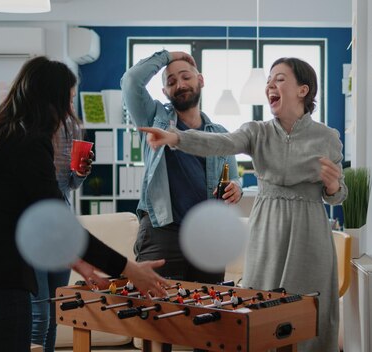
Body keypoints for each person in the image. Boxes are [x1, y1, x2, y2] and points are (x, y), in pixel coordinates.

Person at [0, 56, 168, 352]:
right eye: (68, 101)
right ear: (50, 101)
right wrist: (130, 270)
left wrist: (80, 265)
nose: (69, 110)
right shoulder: (29, 144)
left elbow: (28, 218)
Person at [139, 57, 347, 351]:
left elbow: (338, 195)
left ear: (303, 89)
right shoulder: (256, 132)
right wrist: (176, 138)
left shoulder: (327, 138)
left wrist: (333, 185)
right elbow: (218, 143)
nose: (270, 85)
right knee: (262, 306)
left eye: (279, 79)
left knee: (308, 308)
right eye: (268, 81)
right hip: (268, 228)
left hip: (310, 231)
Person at [121, 50, 242, 352]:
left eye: (185, 76)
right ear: (164, 91)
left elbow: (234, 177)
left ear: (200, 80)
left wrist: (236, 188)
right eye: (171, 81)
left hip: (208, 237)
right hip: (162, 231)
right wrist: (167, 56)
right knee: (158, 322)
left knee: (209, 322)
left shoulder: (220, 134)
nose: (179, 84)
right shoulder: (154, 117)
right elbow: (131, 80)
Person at [31, 96, 94, 352]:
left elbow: (70, 183)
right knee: (40, 314)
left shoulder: (71, 127)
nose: (69, 101)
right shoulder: (28, 130)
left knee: (54, 309)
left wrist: (80, 173)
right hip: (33, 228)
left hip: (61, 224)